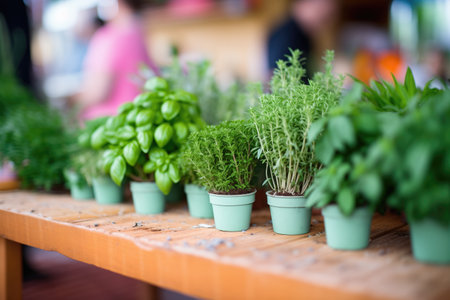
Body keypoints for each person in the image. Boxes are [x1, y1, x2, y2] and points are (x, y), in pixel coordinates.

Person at [77, 0, 158, 121]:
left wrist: (72, 101)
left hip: (110, 124)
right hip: (139, 118)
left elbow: (98, 92)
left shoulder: (108, 38)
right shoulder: (138, 32)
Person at [267, 0, 337, 78]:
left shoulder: (302, 33)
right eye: (321, 12)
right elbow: (277, 73)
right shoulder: (288, 34)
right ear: (303, 4)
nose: (323, 24)